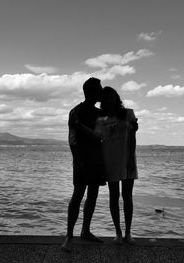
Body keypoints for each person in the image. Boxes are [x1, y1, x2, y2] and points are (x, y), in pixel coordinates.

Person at [61, 77, 106, 252]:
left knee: (93, 194)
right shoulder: (76, 111)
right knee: (78, 194)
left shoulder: (98, 113)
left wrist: (80, 126)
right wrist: (77, 159)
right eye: (99, 89)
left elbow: (99, 136)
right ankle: (69, 236)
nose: (101, 92)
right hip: (82, 159)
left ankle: (85, 230)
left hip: (96, 158)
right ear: (92, 92)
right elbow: (72, 139)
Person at [95, 86, 138, 244]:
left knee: (128, 196)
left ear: (116, 97)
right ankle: (118, 233)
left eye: (111, 96)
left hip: (127, 160)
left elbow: (133, 137)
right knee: (114, 197)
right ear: (103, 101)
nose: (109, 100)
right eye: (106, 98)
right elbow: (96, 138)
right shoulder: (100, 119)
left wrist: (131, 158)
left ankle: (128, 232)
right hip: (110, 160)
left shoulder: (128, 114)